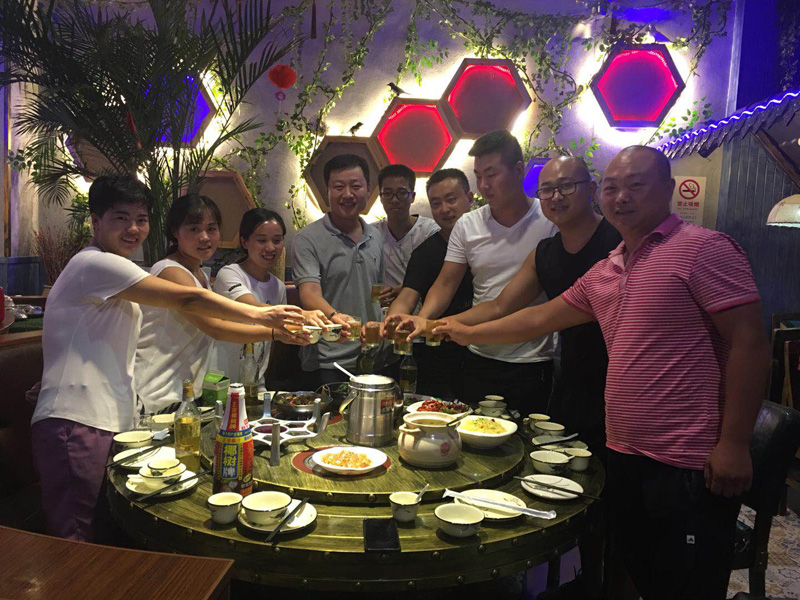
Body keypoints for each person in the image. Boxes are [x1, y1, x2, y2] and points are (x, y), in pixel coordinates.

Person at [437, 146, 770, 600]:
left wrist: (733, 442)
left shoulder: (704, 248)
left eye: (635, 185)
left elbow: (750, 343)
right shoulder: (609, 269)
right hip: (623, 448)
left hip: (687, 459)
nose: (621, 197)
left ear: (668, 189)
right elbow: (537, 319)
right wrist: (459, 331)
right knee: (635, 567)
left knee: (687, 584)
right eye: (612, 187)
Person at [31, 176, 304, 541]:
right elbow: (191, 302)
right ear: (96, 221)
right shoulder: (94, 264)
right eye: (121, 218)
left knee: (104, 534)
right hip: (77, 417)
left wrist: (271, 327)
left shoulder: (121, 271)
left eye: (141, 219)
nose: (133, 228)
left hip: (107, 417)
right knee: (76, 537)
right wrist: (265, 317)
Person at [444, 156, 620, 452]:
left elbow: (539, 320)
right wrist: (438, 325)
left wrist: (468, 333)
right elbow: (500, 306)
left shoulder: (619, 244)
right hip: (574, 380)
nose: (556, 197)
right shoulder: (546, 253)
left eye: (566, 186)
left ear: (592, 190)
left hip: (623, 382)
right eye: (547, 190)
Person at [394, 130, 558, 413]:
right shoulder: (468, 224)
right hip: (478, 352)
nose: (484, 185)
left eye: (491, 175)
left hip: (532, 358)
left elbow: (505, 305)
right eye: (479, 176)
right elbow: (445, 283)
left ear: (519, 170)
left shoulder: (549, 221)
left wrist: (435, 325)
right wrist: (423, 320)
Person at [135, 198, 312, 414]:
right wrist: (276, 332)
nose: (205, 237)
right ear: (175, 232)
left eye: (211, 229)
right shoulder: (169, 271)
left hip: (186, 392)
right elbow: (215, 328)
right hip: (156, 392)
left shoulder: (200, 275)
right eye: (194, 229)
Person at [291, 154, 384, 385]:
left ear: (368, 189)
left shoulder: (376, 236)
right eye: (339, 187)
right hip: (328, 360)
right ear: (328, 191)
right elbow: (309, 294)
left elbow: (377, 292)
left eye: (356, 186)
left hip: (373, 356)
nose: (348, 194)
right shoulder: (307, 239)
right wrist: (334, 316)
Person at [212, 207, 328, 386]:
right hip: (222, 382)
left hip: (256, 385)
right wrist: (302, 314)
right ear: (244, 242)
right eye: (261, 240)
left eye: (277, 240)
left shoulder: (278, 287)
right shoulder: (229, 274)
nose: (270, 247)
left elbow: (275, 337)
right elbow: (252, 308)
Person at [384, 168, 474, 399]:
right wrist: (393, 320)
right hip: (438, 354)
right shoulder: (426, 252)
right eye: (436, 203)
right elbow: (407, 295)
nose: (444, 209)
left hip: (483, 349)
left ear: (470, 198)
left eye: (451, 200)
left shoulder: (487, 242)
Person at [373, 164, 439, 305]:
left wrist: (404, 289)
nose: (394, 200)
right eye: (388, 193)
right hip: (382, 311)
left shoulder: (430, 231)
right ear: (381, 197)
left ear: (412, 196)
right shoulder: (371, 233)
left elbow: (439, 275)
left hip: (422, 309)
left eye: (402, 193)